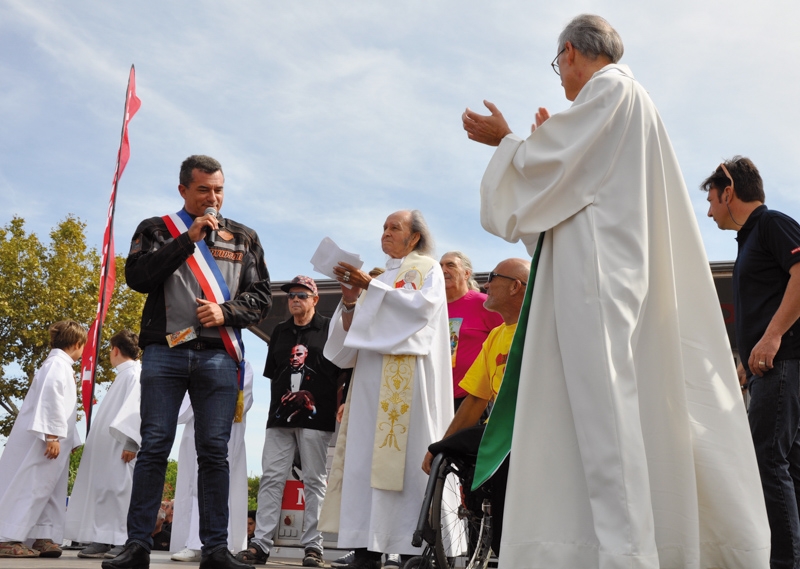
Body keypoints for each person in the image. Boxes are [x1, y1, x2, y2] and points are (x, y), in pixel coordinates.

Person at [462, 13, 770, 569]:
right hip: (597, 273)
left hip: (597, 282)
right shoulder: (624, 103)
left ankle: (625, 555)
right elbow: (568, 192)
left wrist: (505, 142)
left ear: (574, 52)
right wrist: (540, 146)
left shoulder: (612, 89)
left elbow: (546, 176)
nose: (560, 75)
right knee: (587, 418)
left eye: (558, 63)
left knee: (604, 416)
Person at [105, 154, 272, 569]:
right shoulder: (157, 229)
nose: (213, 198)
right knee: (154, 447)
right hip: (165, 352)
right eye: (203, 190)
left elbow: (262, 298)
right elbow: (138, 278)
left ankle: (215, 549)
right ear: (183, 190)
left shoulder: (244, 237)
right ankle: (137, 546)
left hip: (218, 356)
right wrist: (188, 240)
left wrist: (226, 312)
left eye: (218, 190)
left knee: (214, 451)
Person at [319, 209, 454, 569]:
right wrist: (350, 300)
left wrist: (369, 289)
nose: (385, 233)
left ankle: (413, 549)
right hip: (368, 386)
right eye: (383, 227)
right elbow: (347, 343)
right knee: (364, 461)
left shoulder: (426, 269)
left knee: (409, 461)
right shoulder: (376, 277)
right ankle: (367, 548)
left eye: (394, 227)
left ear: (414, 238)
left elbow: (418, 312)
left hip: (410, 384)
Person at [702, 156, 800, 569]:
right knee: (789, 466)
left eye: (711, 199)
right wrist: (748, 357)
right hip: (770, 369)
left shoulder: (772, 223)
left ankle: (782, 562)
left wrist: (773, 337)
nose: (709, 211)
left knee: (767, 461)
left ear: (729, 191)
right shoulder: (750, 242)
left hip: (784, 365)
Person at [423, 257, 529, 556]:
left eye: (493, 277)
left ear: (515, 287)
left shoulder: (540, 328)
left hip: (531, 430)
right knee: (453, 447)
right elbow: (475, 400)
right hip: (499, 430)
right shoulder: (496, 335)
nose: (486, 284)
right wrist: (440, 445)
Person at [236, 276, 340, 568]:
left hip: (317, 417)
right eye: (291, 295)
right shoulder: (280, 331)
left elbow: (342, 369)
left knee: (314, 481)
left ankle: (313, 547)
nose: (295, 299)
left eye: (302, 295)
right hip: (279, 418)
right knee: (271, 478)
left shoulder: (331, 328)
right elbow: (275, 373)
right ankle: (261, 543)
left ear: (314, 299)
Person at [0, 320, 87, 558]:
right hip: (45, 441)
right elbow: (51, 400)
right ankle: (6, 538)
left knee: (49, 490)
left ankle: (42, 534)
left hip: (54, 440)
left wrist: (71, 438)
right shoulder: (57, 365)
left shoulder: (60, 365)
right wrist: (52, 435)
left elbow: (66, 409)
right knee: (32, 485)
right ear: (77, 344)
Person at [65, 330, 143, 559]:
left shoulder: (135, 374)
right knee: (104, 490)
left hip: (121, 446)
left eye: (110, 349)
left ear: (116, 350)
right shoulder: (123, 375)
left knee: (120, 491)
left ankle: (122, 540)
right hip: (107, 448)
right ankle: (102, 538)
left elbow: (136, 409)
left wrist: (131, 442)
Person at [170, 361, 254, 562]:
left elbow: (243, 401)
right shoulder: (195, 359)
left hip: (225, 428)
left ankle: (220, 544)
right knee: (193, 483)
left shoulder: (242, 365)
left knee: (218, 483)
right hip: (196, 426)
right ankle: (193, 543)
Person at [440, 251, 503, 410]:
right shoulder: (432, 307)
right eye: (440, 266)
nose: (443, 270)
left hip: (474, 400)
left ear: (466, 273)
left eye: (450, 265)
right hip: (437, 396)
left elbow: (509, 339)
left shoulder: (484, 304)